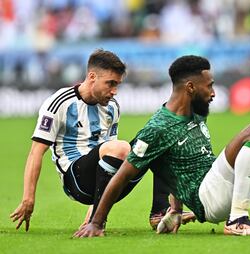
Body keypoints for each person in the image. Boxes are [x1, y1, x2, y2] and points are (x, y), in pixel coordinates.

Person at [74, 55, 250, 237]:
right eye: (209, 85)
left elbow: (171, 164)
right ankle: (237, 221)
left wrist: (175, 209)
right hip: (208, 198)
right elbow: (124, 174)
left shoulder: (195, 110)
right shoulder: (158, 128)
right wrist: (97, 222)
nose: (213, 92)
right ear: (190, 87)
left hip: (222, 185)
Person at [10, 49, 194, 232]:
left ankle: (159, 212)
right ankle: (97, 220)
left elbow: (111, 164)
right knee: (121, 147)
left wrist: (93, 213)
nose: (114, 91)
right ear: (92, 77)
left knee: (160, 139)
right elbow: (36, 152)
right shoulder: (59, 103)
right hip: (76, 181)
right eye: (110, 83)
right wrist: (28, 199)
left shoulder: (112, 107)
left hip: (107, 179)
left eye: (118, 85)